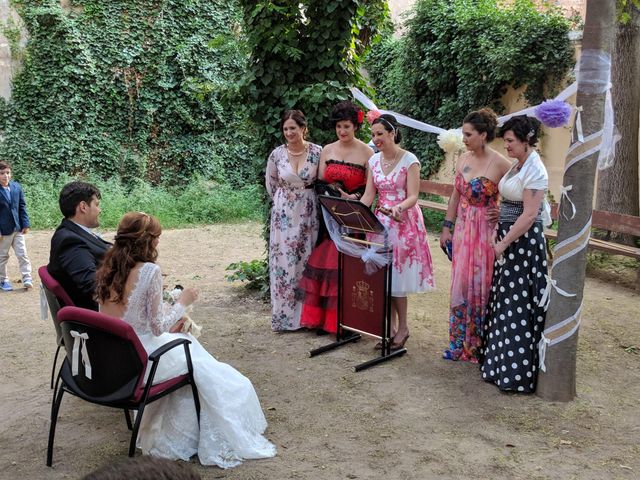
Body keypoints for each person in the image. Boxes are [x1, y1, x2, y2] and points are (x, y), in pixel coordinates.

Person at [96, 212, 276, 467]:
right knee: (203, 364)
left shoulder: (108, 268)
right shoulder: (149, 271)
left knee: (191, 348)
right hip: (144, 360)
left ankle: (178, 430)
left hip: (116, 356)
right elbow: (158, 328)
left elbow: (124, 317)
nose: (158, 243)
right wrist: (183, 302)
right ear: (145, 241)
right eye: (156, 238)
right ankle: (190, 436)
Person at [481, 115, 549, 393]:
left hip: (522, 244)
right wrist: (501, 215)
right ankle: (498, 365)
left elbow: (531, 214)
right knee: (504, 301)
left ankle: (515, 373)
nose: (506, 146)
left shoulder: (536, 170)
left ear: (525, 140)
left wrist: (504, 242)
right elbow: (514, 202)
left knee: (518, 305)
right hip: (509, 238)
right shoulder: (518, 165)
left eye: (510, 141)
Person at [439, 109, 511, 363]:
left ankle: (479, 344)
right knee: (460, 285)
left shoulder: (502, 163)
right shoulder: (463, 159)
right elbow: (456, 196)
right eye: (463, 133)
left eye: (468, 134)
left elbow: (520, 195)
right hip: (462, 231)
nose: (464, 138)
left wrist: (503, 211)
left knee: (482, 286)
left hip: (484, 233)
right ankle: (457, 341)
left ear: (483, 134)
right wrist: (447, 227)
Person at [360, 114, 435, 350]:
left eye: (380, 134)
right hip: (380, 222)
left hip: (403, 221)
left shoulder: (409, 160)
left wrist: (398, 208)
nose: (376, 139)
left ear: (393, 133)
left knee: (398, 280)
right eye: (373, 135)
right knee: (383, 278)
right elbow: (369, 195)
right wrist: (357, 213)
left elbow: (413, 195)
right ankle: (389, 330)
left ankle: (403, 328)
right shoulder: (373, 161)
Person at [299, 101, 373, 334]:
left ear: (356, 127)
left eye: (347, 126)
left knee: (349, 266)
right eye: (339, 126)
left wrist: (353, 197)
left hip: (353, 214)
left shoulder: (367, 153)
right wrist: (332, 193)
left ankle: (347, 321)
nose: (342, 131)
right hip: (330, 213)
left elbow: (371, 187)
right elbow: (319, 181)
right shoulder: (327, 150)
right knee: (326, 260)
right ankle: (323, 320)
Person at [266, 110, 322, 331]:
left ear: (303, 128)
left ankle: (307, 317)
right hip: (284, 215)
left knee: (307, 261)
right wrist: (284, 202)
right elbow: (271, 183)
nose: (289, 132)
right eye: (286, 129)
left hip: (309, 212)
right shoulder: (277, 155)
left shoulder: (318, 152)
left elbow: (324, 180)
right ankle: (284, 317)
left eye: (293, 128)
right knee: (284, 263)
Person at [48, 181, 111, 310]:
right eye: (97, 205)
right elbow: (93, 286)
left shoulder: (72, 230)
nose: (100, 210)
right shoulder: (70, 241)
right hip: (99, 315)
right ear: (83, 206)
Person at [0, 161, 33, 291]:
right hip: (3, 231)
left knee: (22, 253)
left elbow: (22, 207)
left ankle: (27, 277)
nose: (5, 176)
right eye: (2, 173)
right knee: (2, 256)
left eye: (7, 173)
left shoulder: (16, 187)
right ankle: (3, 280)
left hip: (17, 228)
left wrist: (25, 223)